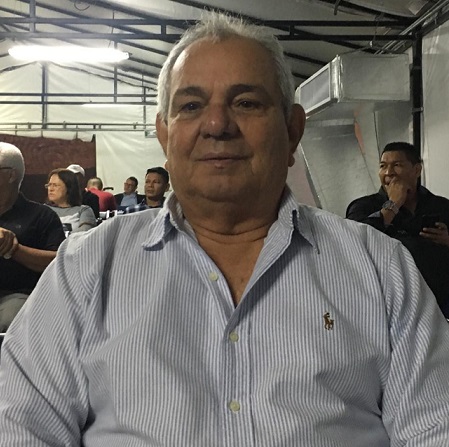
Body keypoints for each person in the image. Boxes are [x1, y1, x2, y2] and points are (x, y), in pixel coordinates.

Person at [1, 13, 449, 446]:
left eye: (246, 103)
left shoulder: (379, 267)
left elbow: (434, 426)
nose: (217, 125)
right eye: (191, 106)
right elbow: (20, 424)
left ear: (293, 130)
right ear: (165, 135)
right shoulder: (86, 268)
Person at [346, 141, 449, 317]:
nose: (388, 172)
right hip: (389, 308)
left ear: (417, 170)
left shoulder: (440, 205)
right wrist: (393, 204)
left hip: (441, 304)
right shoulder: (363, 207)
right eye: (383, 166)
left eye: (397, 165)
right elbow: (353, 243)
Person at [0, 142, 65, 333]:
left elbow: (58, 261)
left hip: (17, 295)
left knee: (13, 319)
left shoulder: (41, 216)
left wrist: (13, 248)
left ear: (11, 175)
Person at [46, 168, 97, 234]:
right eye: (49, 185)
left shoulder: (84, 210)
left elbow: (85, 232)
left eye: (55, 185)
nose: (50, 189)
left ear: (69, 187)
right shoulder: (42, 211)